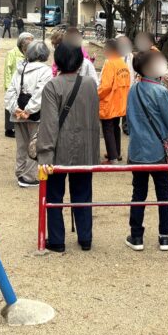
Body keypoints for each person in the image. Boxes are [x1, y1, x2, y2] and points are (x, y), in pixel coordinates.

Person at [36, 42, 101, 253]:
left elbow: (49, 124)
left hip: (59, 149)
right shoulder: (90, 84)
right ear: (81, 61)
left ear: (57, 61)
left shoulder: (52, 86)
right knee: (83, 194)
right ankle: (85, 237)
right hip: (86, 148)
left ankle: (57, 239)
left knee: (54, 196)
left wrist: (45, 155)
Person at [124, 50, 168, 252]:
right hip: (158, 151)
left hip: (137, 150)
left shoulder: (133, 90)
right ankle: (164, 236)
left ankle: (136, 236)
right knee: (163, 191)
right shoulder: (161, 92)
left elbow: (129, 120)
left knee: (138, 192)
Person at [5, 40, 53, 187]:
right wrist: (29, 110)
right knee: (35, 144)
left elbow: (11, 90)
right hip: (35, 114)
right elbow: (41, 92)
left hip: (18, 112)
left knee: (22, 144)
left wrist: (15, 108)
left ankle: (20, 171)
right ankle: (29, 177)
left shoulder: (20, 68)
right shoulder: (45, 71)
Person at [98, 39, 131, 163]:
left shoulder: (110, 64)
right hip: (120, 101)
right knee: (116, 127)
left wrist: (97, 96)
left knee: (108, 128)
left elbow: (105, 86)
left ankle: (112, 157)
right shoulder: (122, 64)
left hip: (109, 102)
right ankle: (116, 153)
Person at [4, 32, 35, 138]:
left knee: (22, 104)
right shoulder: (12, 53)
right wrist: (8, 85)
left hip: (24, 85)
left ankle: (20, 125)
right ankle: (9, 129)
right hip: (13, 84)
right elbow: (7, 70)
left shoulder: (31, 54)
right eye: (29, 40)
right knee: (10, 105)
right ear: (22, 42)